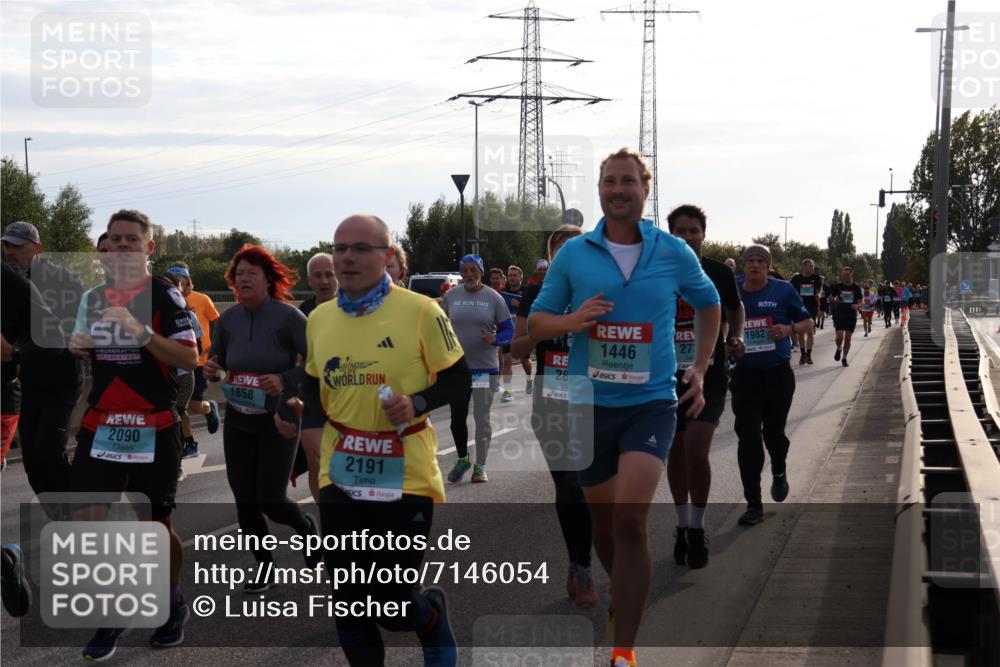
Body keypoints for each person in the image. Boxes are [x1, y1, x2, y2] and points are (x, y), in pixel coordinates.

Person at [529, 148, 720, 667]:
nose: (618, 189)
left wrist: (700, 366)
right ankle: (623, 587)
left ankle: (623, 651)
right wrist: (573, 321)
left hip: (651, 403)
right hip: (588, 405)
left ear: (645, 189)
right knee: (605, 526)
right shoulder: (574, 255)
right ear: (599, 190)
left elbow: (709, 304)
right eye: (609, 181)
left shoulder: (673, 250)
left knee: (632, 520)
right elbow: (536, 323)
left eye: (628, 181)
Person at [287, 213, 467, 667]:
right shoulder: (320, 318)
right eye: (340, 247)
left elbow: (458, 379)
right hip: (341, 466)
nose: (348, 257)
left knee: (391, 597)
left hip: (404, 469)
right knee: (347, 599)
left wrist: (418, 403)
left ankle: (429, 617)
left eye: (361, 248)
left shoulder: (422, 310)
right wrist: (309, 425)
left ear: (387, 256)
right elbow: (312, 381)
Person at [69, 209, 199, 660]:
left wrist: (140, 332)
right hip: (102, 425)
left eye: (131, 240)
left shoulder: (165, 296)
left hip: (153, 427)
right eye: (115, 240)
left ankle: (172, 601)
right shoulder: (93, 296)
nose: (121, 247)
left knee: (155, 530)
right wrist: (79, 346)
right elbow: (90, 349)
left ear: (149, 247)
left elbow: (188, 359)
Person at [204, 244, 320, 592]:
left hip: (279, 417)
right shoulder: (228, 320)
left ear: (268, 280)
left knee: (270, 499)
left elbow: (315, 365)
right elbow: (218, 363)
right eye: (239, 274)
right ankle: (264, 566)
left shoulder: (288, 318)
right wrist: (213, 370)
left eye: (252, 273)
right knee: (244, 499)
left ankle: (306, 528)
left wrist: (285, 380)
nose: (244, 279)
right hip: (239, 418)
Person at [512, 224, 599, 608]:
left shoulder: (600, 287)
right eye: (560, 247)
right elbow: (517, 349)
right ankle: (578, 563)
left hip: (593, 398)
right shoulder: (537, 293)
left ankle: (586, 566)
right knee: (567, 487)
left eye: (574, 246)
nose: (568, 252)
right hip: (550, 397)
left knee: (586, 488)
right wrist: (543, 329)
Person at [666, 205, 744, 569]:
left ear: (703, 234)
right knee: (676, 451)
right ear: (671, 234)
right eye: (679, 231)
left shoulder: (716, 273)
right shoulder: (655, 273)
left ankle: (697, 528)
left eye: (693, 231)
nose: (687, 237)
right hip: (665, 378)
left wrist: (737, 336)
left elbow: (735, 309)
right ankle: (681, 525)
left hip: (708, 377)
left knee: (696, 450)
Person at [730, 244, 814, 526]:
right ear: (744, 265)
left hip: (777, 375)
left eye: (760, 261)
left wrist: (788, 329)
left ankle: (779, 469)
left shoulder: (783, 290)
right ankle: (754, 503)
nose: (754, 265)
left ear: (767, 266)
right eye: (750, 260)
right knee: (748, 438)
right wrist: (729, 344)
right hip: (745, 376)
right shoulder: (733, 288)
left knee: (774, 434)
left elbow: (808, 322)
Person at [2, 220, 83, 509]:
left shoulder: (62, 282)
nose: (10, 251)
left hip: (61, 378)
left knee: (50, 452)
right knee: (33, 463)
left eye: (17, 246)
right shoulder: (7, 283)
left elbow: (61, 333)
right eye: (6, 245)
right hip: (28, 383)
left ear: (37, 248)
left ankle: (84, 514)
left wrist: (15, 352)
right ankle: (63, 516)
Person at [441, 255, 512, 484]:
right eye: (465, 270)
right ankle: (463, 458)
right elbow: (440, 328)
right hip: (458, 370)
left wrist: (495, 339)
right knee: (457, 418)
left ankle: (480, 465)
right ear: (461, 273)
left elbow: (508, 330)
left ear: (481, 272)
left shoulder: (494, 298)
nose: (469, 274)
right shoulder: (451, 296)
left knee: (482, 419)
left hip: (484, 368)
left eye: (473, 270)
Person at [165, 262, 220, 460]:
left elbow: (215, 322)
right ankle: (188, 443)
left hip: (198, 362)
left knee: (192, 406)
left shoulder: (201, 300)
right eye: (172, 281)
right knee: (179, 407)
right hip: (173, 367)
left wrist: (213, 348)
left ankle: (209, 408)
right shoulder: (162, 302)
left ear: (188, 283)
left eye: (180, 282)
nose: (177, 286)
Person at [501, 265, 533, 398]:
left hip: (522, 330)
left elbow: (535, 310)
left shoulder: (527, 292)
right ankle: (507, 391)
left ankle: (529, 379)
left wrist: (520, 305)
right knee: (507, 360)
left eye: (515, 275)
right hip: (507, 330)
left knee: (525, 360)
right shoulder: (503, 292)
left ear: (521, 277)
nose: (512, 278)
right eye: (510, 276)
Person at [788, 260, 822, 365]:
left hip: (812, 307)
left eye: (812, 266)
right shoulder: (796, 278)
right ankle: (803, 354)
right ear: (804, 267)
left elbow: (819, 289)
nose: (811, 268)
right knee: (801, 332)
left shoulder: (816, 278)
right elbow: (790, 290)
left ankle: (809, 355)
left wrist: (818, 294)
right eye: (809, 266)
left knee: (810, 332)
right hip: (799, 307)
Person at [828, 267, 863, 367]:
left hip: (851, 314)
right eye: (845, 274)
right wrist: (835, 300)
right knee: (839, 338)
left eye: (848, 274)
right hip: (840, 313)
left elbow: (861, 300)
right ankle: (839, 348)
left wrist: (858, 306)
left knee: (848, 338)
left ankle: (844, 358)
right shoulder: (838, 286)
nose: (846, 276)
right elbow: (832, 297)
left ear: (852, 274)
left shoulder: (856, 287)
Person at [299, 252, 338, 316]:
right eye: (318, 276)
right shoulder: (304, 311)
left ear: (338, 277)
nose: (324, 281)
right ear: (309, 280)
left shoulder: (349, 309)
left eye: (329, 275)